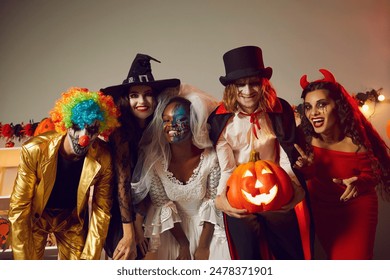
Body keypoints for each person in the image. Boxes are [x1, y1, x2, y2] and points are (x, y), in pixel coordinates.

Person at [207, 45, 313, 260]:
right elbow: (227, 168)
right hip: (240, 187)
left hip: (277, 185)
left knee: (289, 251)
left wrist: (295, 188)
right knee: (247, 247)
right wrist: (220, 199)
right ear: (231, 87)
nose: (248, 91)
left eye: (253, 82)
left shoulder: (279, 110)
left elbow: (285, 157)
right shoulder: (219, 120)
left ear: (262, 83)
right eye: (240, 84)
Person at [8, 87, 120, 260]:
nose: (84, 137)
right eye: (77, 127)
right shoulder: (35, 150)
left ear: (100, 131)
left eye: (92, 130)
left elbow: (102, 210)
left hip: (71, 221)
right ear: (66, 124)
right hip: (36, 219)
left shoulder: (103, 157)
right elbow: (19, 207)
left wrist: (89, 259)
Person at [294, 69, 390, 259]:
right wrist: (306, 168)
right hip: (321, 209)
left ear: (337, 106)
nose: (314, 112)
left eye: (322, 104)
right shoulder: (304, 138)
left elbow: (373, 174)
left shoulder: (355, 142)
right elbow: (309, 175)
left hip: (356, 209)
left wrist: (358, 183)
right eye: (308, 107)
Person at [131, 86, 231, 260]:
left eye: (180, 119)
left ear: (193, 123)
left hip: (208, 230)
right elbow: (162, 204)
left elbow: (213, 203)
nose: (171, 126)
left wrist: (203, 247)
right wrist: (183, 245)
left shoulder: (210, 159)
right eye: (166, 120)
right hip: (173, 232)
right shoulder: (154, 164)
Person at [101, 53, 180, 260]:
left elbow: (150, 180)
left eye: (147, 94)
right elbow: (122, 184)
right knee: (128, 255)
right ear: (126, 99)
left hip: (145, 209)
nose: (141, 101)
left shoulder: (158, 130)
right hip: (119, 211)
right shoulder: (120, 133)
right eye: (134, 95)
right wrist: (130, 233)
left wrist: (139, 222)